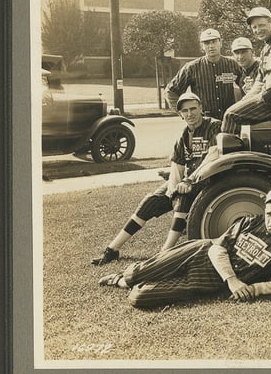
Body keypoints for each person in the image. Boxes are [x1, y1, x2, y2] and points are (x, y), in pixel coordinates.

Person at [97, 188, 271, 308]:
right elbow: (217, 248)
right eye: (269, 213)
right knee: (137, 273)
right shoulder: (249, 222)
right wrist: (233, 281)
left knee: (140, 297)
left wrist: (252, 289)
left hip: (208, 281)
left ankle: (134, 283)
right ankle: (121, 279)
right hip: (201, 252)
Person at [90, 91, 222, 265]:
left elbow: (214, 155)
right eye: (185, 111)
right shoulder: (183, 136)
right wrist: (171, 192)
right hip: (186, 181)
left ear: (201, 108)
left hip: (207, 180)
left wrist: (188, 182)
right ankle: (112, 250)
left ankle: (164, 254)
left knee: (182, 200)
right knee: (150, 201)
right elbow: (177, 165)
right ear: (180, 114)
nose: (190, 114)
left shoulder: (214, 126)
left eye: (193, 109)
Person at [164, 28, 241, 120]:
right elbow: (170, 91)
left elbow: (247, 87)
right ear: (202, 46)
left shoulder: (233, 64)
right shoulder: (192, 68)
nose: (211, 46)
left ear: (220, 43)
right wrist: (184, 113)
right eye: (207, 43)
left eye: (214, 42)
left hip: (229, 120)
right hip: (204, 122)